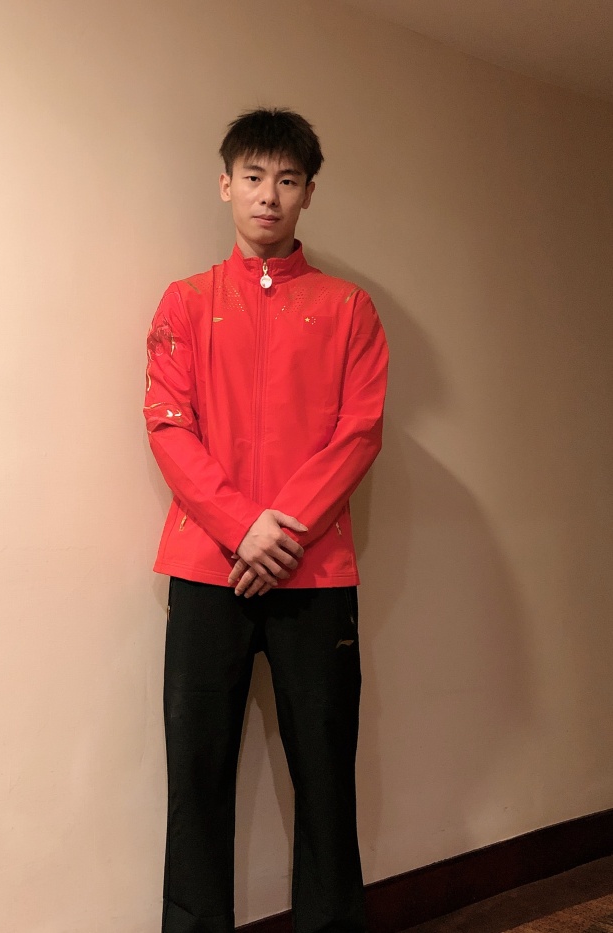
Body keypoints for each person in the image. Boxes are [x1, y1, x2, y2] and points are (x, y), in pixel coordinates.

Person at [144, 107, 389, 933]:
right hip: (206, 567)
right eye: (253, 177)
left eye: (287, 180)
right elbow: (168, 426)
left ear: (309, 192)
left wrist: (277, 534)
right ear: (225, 184)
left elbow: (360, 431)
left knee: (326, 774)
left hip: (315, 576)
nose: (268, 195)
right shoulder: (185, 301)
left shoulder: (350, 308)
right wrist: (239, 526)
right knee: (196, 778)